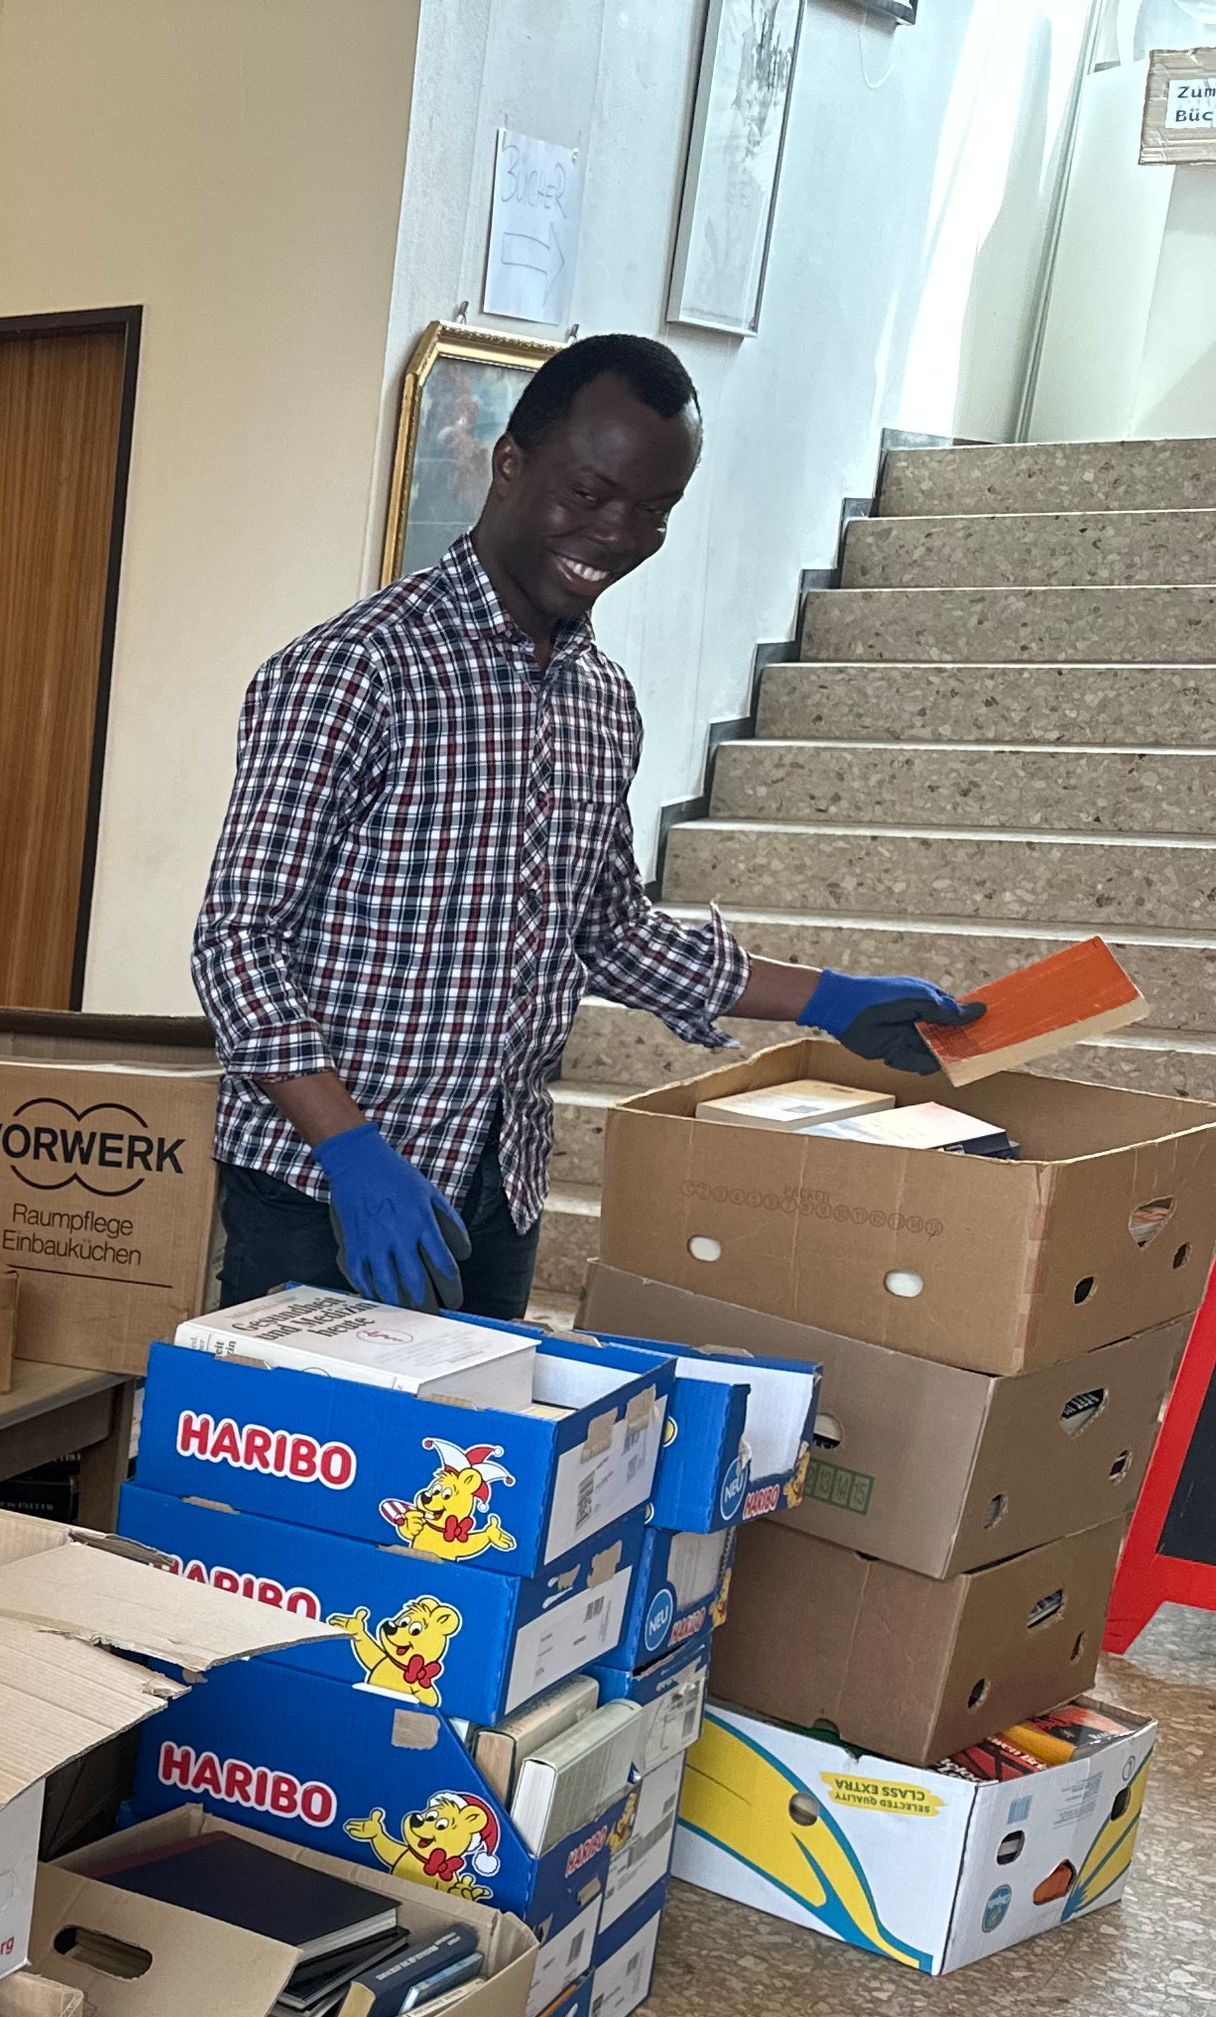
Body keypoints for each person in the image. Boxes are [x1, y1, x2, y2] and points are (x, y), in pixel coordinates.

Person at [193, 331, 979, 1315]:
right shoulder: (355, 671)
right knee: (298, 1465)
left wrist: (827, 1000)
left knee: (468, 1470)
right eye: (590, 494)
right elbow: (237, 940)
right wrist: (347, 1146)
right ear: (509, 462)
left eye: (653, 512)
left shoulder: (600, 702)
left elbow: (605, 931)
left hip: (496, 1189)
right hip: (323, 1194)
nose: (616, 534)